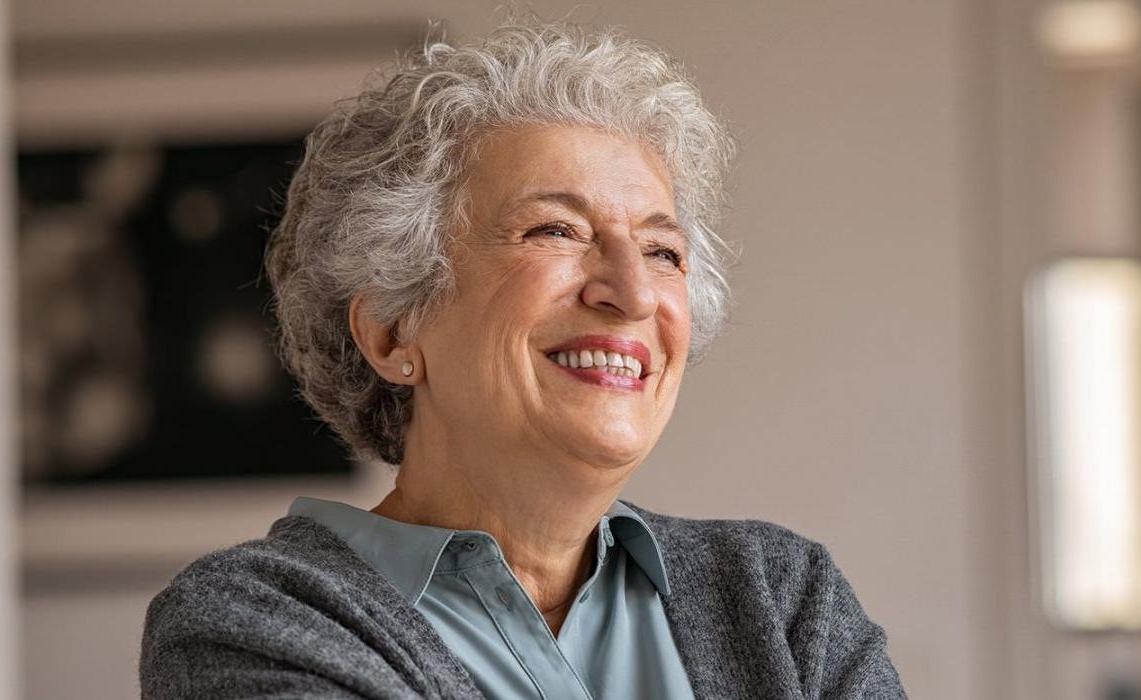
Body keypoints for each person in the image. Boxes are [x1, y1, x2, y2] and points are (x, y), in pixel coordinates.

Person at [140, 20, 906, 700]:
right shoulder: (248, 622)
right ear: (391, 332)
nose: (633, 292)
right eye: (555, 232)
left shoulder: (780, 599)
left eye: (662, 250)